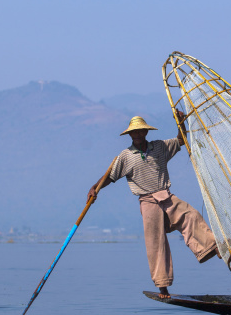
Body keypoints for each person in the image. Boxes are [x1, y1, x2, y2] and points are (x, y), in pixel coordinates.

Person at [87, 112, 218, 298]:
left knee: (190, 215)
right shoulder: (125, 156)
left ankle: (211, 247)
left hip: (166, 196)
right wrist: (95, 187)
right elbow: (110, 176)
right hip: (148, 202)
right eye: (135, 133)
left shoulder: (159, 147)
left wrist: (181, 122)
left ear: (146, 132)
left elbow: (181, 140)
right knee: (156, 243)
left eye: (141, 131)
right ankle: (163, 286)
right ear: (130, 135)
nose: (138, 135)